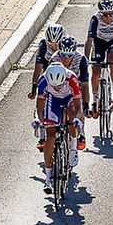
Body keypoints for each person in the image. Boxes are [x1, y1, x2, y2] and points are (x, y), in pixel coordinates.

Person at [35, 62, 82, 194]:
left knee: (72, 120)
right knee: (50, 136)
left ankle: (73, 147)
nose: (57, 87)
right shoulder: (43, 80)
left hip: (69, 99)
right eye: (54, 85)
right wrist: (41, 121)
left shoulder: (71, 78)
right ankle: (48, 177)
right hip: (53, 100)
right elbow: (39, 106)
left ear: (64, 79)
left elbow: (78, 104)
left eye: (59, 85)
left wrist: (77, 118)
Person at [85, 0, 113, 110]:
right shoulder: (95, 18)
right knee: (95, 70)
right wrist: (86, 58)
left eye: (110, 14)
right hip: (99, 42)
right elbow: (89, 40)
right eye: (105, 15)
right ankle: (95, 100)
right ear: (100, 13)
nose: (108, 17)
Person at [55, 36, 91, 150]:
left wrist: (85, 105)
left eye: (69, 55)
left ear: (74, 53)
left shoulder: (81, 60)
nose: (66, 58)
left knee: (78, 104)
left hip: (76, 86)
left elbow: (85, 85)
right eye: (63, 55)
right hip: (59, 87)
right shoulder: (55, 58)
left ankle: (81, 132)